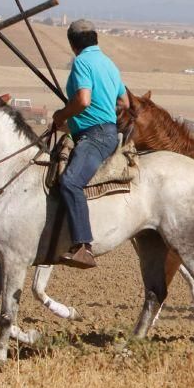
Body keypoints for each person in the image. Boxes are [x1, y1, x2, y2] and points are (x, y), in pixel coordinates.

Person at [53, 19, 129, 269]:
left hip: (94, 136)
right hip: (103, 131)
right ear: (96, 38)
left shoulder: (82, 62)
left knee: (70, 181)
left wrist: (63, 115)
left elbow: (83, 100)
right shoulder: (109, 64)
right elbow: (125, 103)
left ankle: (83, 245)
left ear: (72, 43)